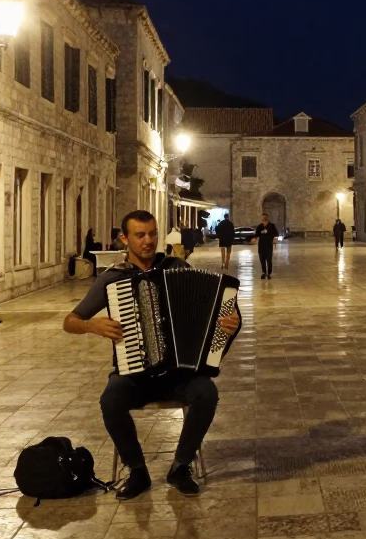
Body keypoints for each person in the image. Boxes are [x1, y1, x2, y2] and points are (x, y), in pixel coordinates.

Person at [62, 210, 242, 501]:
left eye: (152, 234)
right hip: (135, 373)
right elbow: (69, 321)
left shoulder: (176, 266)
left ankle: (181, 466)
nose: (148, 241)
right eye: (140, 235)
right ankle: (137, 471)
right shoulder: (113, 278)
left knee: (207, 392)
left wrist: (231, 324)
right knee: (111, 399)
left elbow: (219, 313)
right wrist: (90, 325)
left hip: (178, 373)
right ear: (125, 238)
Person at [254, 213, 278, 279]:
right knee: (262, 260)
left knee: (269, 260)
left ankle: (269, 273)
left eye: (265, 220)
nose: (263, 222)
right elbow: (256, 234)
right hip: (261, 246)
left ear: (267, 220)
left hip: (269, 246)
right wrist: (261, 233)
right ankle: (264, 272)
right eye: (262, 220)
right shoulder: (259, 226)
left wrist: (273, 237)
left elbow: (276, 233)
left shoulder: (272, 226)